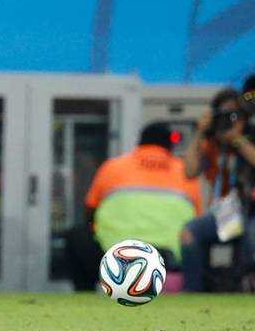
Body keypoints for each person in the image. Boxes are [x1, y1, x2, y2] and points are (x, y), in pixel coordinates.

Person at [181, 77, 255, 293]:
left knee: (253, 230)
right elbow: (189, 171)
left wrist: (238, 139)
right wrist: (200, 132)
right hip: (235, 211)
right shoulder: (216, 142)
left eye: (234, 115)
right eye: (224, 116)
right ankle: (193, 294)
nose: (230, 121)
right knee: (191, 233)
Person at [65, 122, 201, 291]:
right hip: (167, 263)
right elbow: (196, 223)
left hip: (117, 259)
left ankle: (85, 295)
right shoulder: (186, 172)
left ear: (140, 143)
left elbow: (89, 211)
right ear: (170, 146)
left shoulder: (113, 166)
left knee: (76, 235)